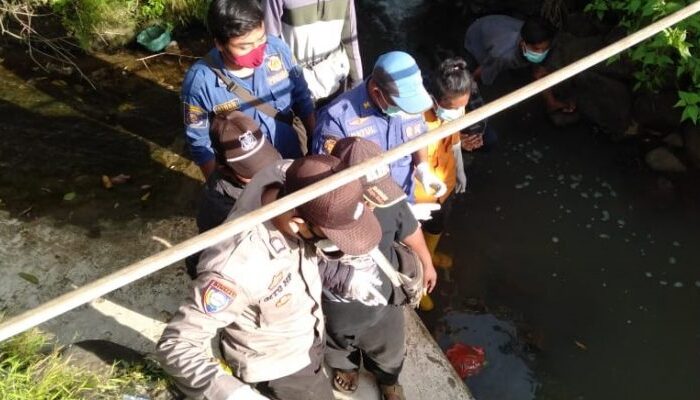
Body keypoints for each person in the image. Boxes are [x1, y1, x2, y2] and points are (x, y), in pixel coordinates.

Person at [157, 154, 382, 400]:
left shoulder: (288, 175)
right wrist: (233, 394)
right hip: (278, 363)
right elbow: (177, 346)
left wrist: (343, 275)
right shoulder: (236, 267)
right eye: (332, 239)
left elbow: (304, 254)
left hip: (306, 331)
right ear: (298, 225)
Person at [322, 137, 437, 400]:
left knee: (390, 348)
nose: (374, 200)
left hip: (382, 299)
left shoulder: (389, 199)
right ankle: (347, 367)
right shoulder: (320, 206)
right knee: (336, 341)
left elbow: (410, 230)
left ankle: (388, 380)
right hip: (334, 302)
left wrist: (427, 263)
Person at [182, 0, 315, 179]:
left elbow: (303, 99)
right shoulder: (199, 83)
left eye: (261, 39)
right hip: (246, 175)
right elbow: (200, 144)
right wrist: (217, 188)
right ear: (219, 44)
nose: (257, 51)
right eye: (244, 47)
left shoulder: (278, 50)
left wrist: (314, 146)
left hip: (291, 154)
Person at [312, 50, 447, 203]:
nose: (404, 111)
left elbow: (417, 135)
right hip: (368, 212)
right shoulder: (337, 120)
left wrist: (423, 168)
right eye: (400, 106)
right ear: (377, 93)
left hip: (406, 197)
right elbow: (331, 182)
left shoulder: (408, 100)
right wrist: (394, 214)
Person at [185, 111, 283, 279]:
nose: (266, 172)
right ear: (225, 169)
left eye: (266, 160)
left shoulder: (275, 169)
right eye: (252, 171)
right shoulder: (220, 207)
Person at [463, 15, 574, 113]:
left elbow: (539, 70)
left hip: (498, 25)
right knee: (480, 74)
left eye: (545, 49)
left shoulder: (541, 37)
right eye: (536, 49)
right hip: (477, 36)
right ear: (523, 43)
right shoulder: (503, 55)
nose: (541, 53)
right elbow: (481, 71)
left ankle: (552, 104)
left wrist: (550, 99)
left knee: (538, 70)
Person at [263, 0, 363, 104]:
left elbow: (350, 38)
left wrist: (358, 82)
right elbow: (270, 45)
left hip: (337, 81)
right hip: (298, 87)